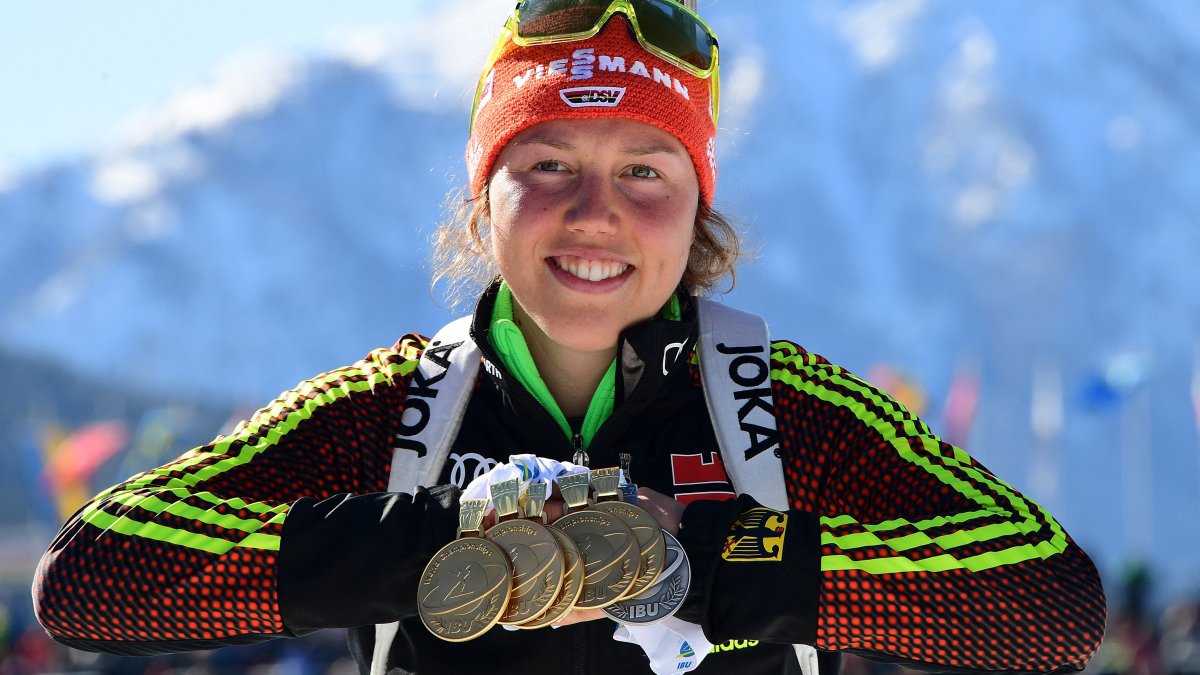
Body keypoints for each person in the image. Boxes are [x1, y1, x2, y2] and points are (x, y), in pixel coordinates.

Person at [32, 1, 1107, 673]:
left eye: (644, 170)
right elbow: (90, 578)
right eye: (548, 164)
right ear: (482, 197)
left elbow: (1050, 606)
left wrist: (701, 558)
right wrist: (445, 542)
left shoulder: (787, 411)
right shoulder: (392, 406)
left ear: (699, 207)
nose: (594, 212)